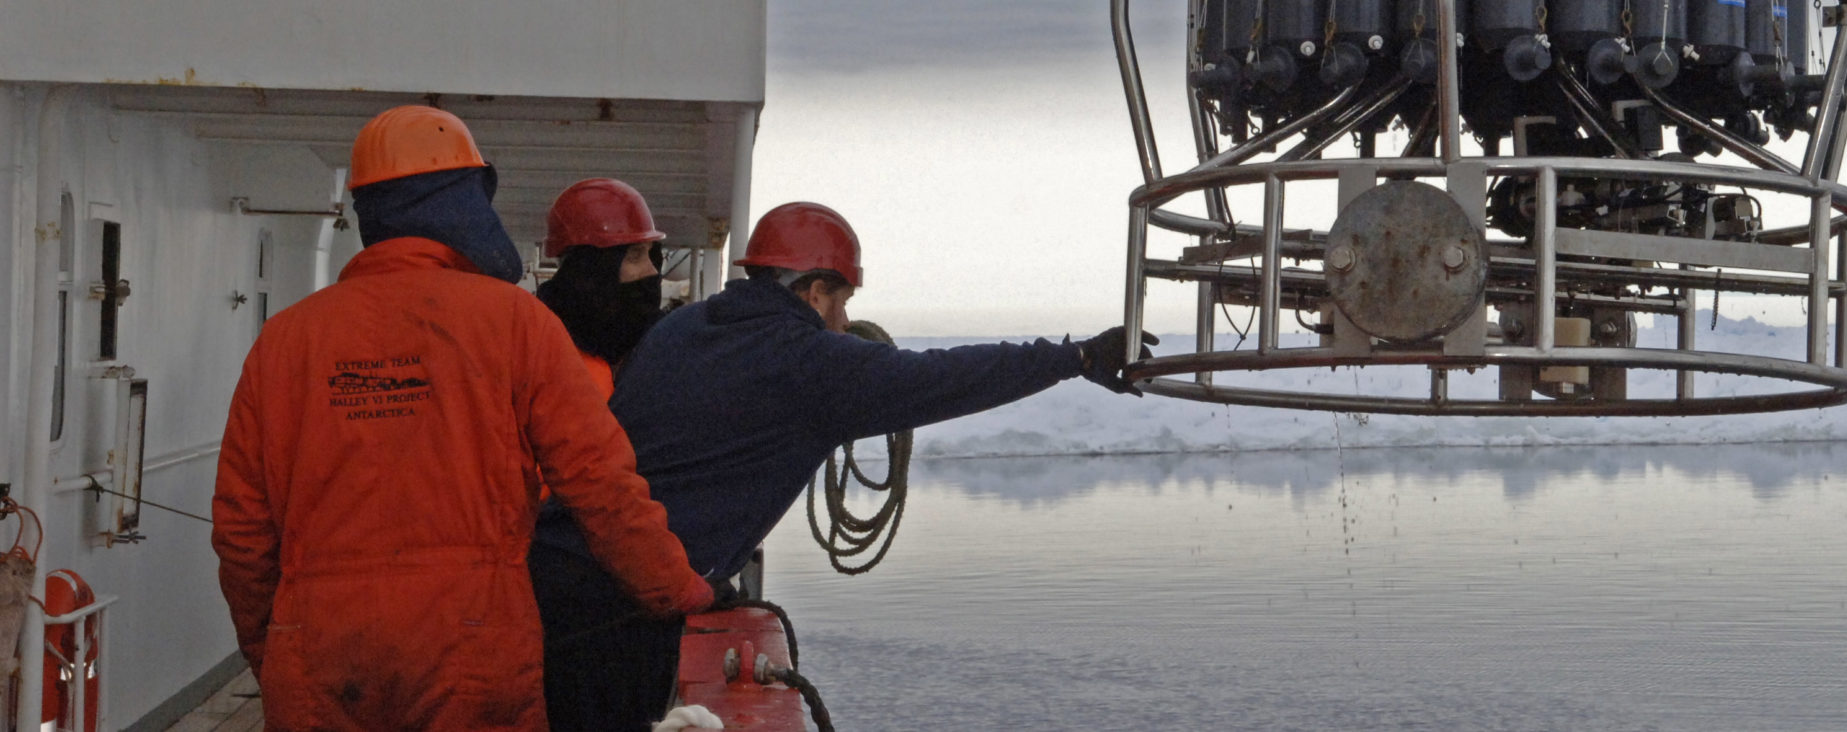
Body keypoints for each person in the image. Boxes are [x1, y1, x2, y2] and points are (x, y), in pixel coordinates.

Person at [531, 201, 1155, 729]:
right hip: (616, 607)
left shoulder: (685, 326)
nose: (847, 321)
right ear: (814, 289)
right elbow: (944, 380)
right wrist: (1074, 358)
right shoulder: (806, 363)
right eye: (843, 300)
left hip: (550, 572)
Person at [211, 105, 714, 730]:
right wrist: (674, 588)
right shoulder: (515, 322)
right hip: (473, 636)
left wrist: (277, 648)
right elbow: (599, 483)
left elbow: (241, 531)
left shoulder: (285, 340)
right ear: (466, 201)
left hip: (319, 644)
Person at [535, 177, 670, 393]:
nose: (652, 271)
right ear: (591, 271)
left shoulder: (669, 349)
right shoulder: (533, 354)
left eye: (650, 254)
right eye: (635, 256)